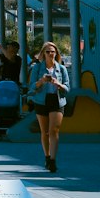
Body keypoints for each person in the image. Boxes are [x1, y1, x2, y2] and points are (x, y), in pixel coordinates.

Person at [28, 41, 69, 173]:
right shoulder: (38, 68)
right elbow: (32, 86)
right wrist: (42, 81)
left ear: (56, 53)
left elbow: (67, 88)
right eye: (48, 51)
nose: (50, 54)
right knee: (44, 131)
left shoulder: (61, 68)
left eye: (53, 51)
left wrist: (59, 84)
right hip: (41, 100)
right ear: (43, 54)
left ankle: (52, 160)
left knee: (54, 130)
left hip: (57, 100)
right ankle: (46, 156)